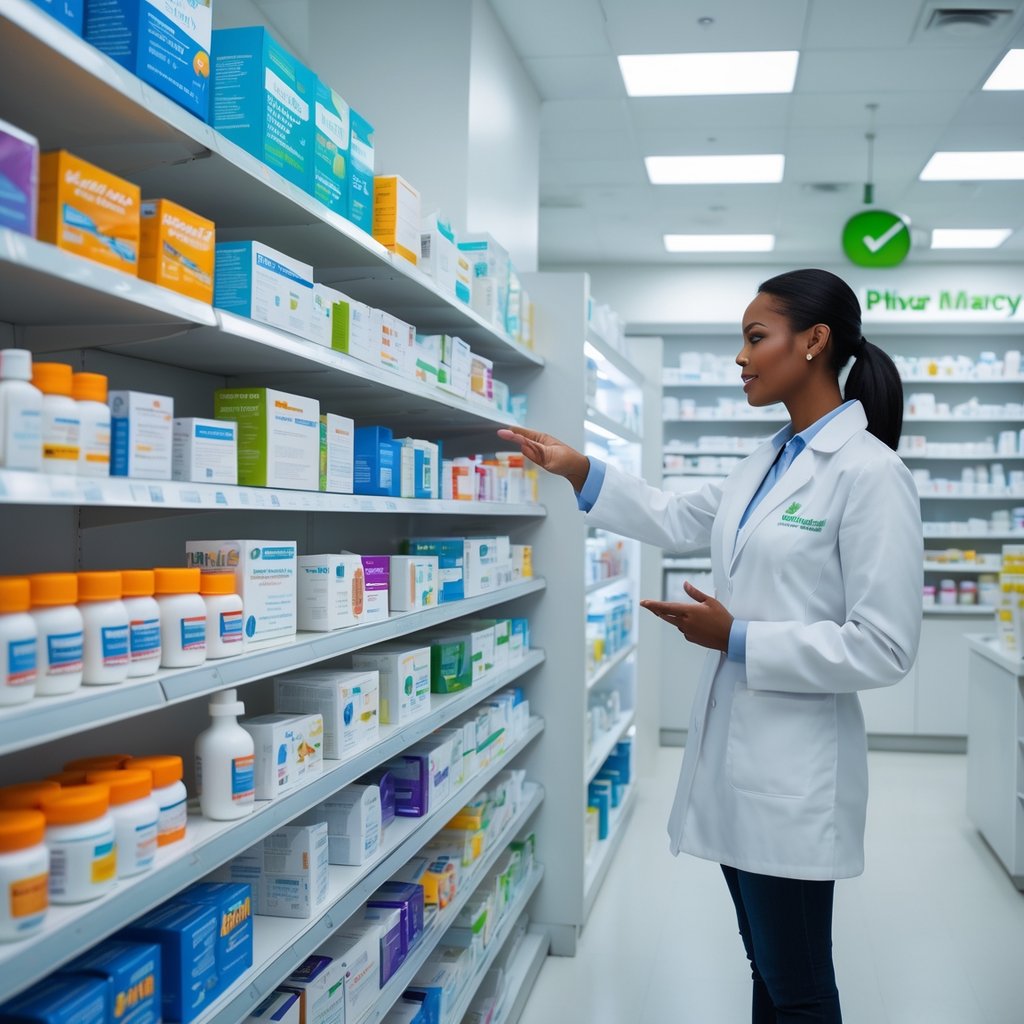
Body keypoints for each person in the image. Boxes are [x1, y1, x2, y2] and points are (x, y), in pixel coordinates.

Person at [497, 268, 923, 1024]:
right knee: (768, 970)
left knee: (796, 990)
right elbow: (674, 513)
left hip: (792, 781)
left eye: (756, 338)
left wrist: (739, 639)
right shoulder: (767, 462)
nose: (741, 357)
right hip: (737, 772)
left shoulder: (870, 474)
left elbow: (884, 647)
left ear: (815, 342)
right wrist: (579, 467)